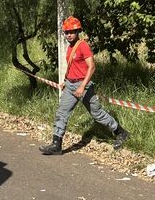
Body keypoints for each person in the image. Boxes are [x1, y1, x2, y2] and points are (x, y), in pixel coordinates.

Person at [39, 16, 129, 155]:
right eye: (66, 32)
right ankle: (56, 145)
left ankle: (121, 132)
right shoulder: (70, 47)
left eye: (71, 32)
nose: (69, 35)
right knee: (61, 113)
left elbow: (92, 67)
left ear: (77, 32)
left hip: (84, 86)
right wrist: (66, 81)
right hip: (70, 85)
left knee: (97, 114)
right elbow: (72, 66)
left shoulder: (83, 46)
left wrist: (82, 86)